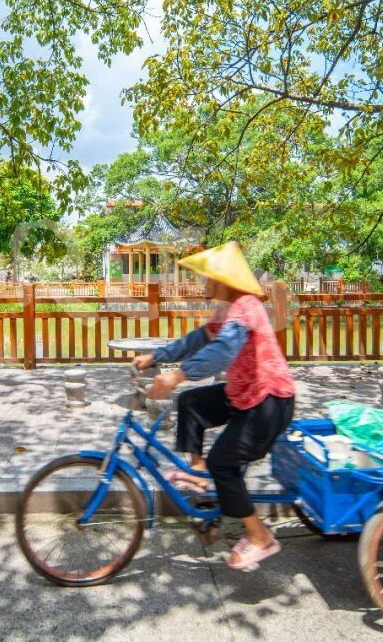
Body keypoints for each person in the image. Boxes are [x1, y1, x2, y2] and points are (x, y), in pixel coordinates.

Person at [133, 241, 296, 570]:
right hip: (244, 393)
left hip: (269, 400)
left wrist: (177, 375)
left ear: (223, 279)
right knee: (191, 402)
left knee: (223, 461)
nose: (203, 282)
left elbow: (223, 351)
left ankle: (260, 537)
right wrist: (157, 356)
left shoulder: (246, 307)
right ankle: (199, 472)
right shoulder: (227, 311)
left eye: (208, 276)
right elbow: (196, 341)